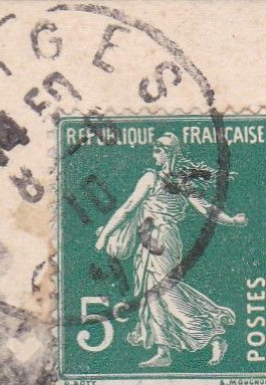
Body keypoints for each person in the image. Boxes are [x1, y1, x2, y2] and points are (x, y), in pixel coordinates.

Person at [95, 132, 248, 369]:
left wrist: (105, 234)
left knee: (166, 292)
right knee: (151, 293)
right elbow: (207, 209)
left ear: (168, 154)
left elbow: (127, 209)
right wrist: (232, 220)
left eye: (158, 151)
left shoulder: (152, 178)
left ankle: (210, 334)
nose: (154, 155)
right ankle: (163, 349)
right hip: (157, 239)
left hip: (159, 240)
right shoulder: (182, 181)